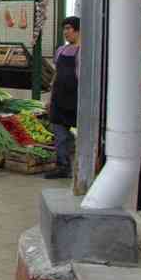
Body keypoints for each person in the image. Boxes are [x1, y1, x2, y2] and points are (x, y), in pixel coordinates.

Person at [46, 16, 80, 179]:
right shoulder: (61, 50)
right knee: (59, 132)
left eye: (69, 28)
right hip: (59, 97)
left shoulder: (84, 51)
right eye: (64, 29)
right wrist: (50, 97)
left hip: (77, 99)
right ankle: (63, 166)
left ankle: (87, 165)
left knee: (83, 133)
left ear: (78, 30)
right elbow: (56, 74)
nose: (66, 32)